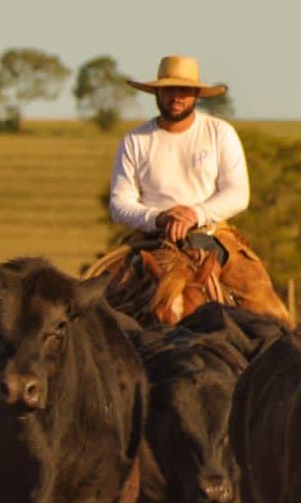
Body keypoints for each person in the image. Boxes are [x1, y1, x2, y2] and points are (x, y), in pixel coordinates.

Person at [95, 55, 291, 324]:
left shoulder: (219, 132)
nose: (176, 97)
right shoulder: (135, 140)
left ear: (196, 94)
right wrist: (159, 218)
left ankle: (289, 351)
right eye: (168, 90)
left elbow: (237, 193)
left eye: (183, 90)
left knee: (266, 306)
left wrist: (194, 214)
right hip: (151, 237)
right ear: (157, 93)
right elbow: (120, 203)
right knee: (94, 303)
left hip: (212, 233)